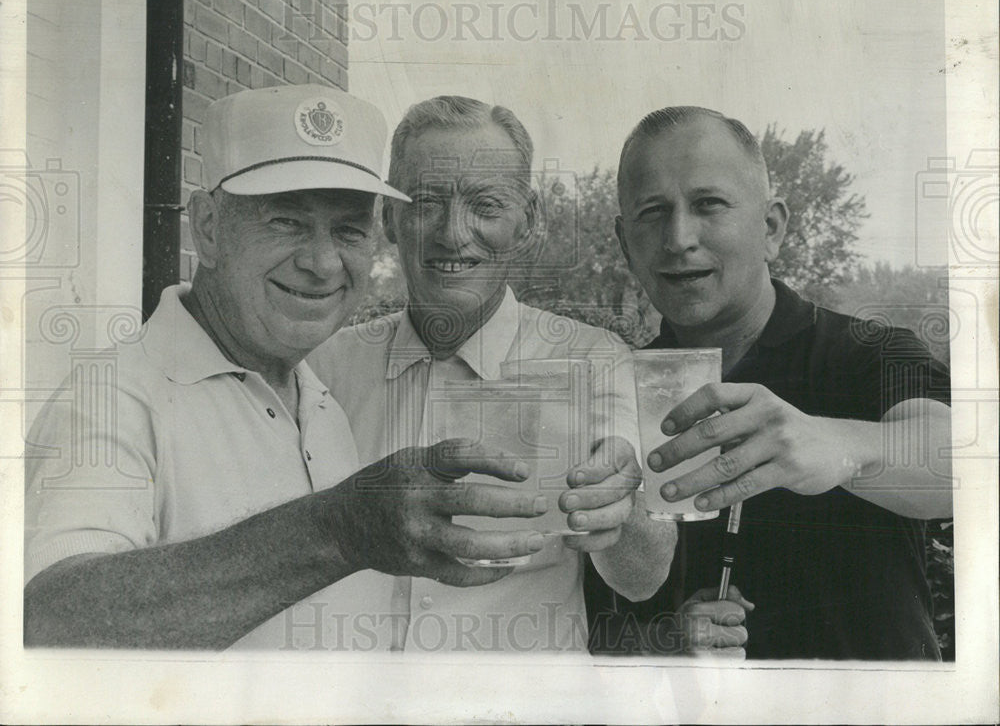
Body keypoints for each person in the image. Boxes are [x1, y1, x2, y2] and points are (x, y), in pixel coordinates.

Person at [23, 84, 553, 650]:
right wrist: (337, 529)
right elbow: (49, 620)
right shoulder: (113, 397)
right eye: (285, 221)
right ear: (207, 227)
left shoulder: (319, 392)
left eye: (348, 230)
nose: (322, 263)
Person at [308, 96, 682, 652]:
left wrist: (619, 513)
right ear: (388, 217)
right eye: (427, 202)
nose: (453, 234)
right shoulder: (322, 367)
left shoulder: (595, 361)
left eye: (485, 205)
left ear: (527, 220)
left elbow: (641, 578)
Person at [610, 105, 952, 660]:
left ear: (771, 227)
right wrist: (665, 640)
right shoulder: (616, 390)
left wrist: (842, 446)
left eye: (708, 205)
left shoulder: (869, 352)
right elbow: (595, 612)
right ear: (625, 242)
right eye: (652, 212)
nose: (678, 238)